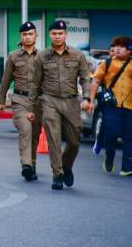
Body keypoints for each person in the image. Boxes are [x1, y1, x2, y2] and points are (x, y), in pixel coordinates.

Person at [33, 20, 91, 190]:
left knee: (74, 141)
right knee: (54, 139)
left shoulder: (77, 55)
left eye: (60, 33)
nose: (57, 36)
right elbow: (36, 84)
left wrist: (87, 98)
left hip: (72, 101)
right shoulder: (42, 56)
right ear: (50, 35)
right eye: (54, 33)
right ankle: (57, 174)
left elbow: (85, 78)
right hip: (49, 100)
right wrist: (32, 108)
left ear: (66, 34)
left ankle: (66, 165)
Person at [0, 21, 41, 181]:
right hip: (20, 100)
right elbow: (6, 80)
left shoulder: (43, 56)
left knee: (35, 135)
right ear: (21, 37)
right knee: (25, 130)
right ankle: (26, 165)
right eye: (25, 34)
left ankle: (32, 165)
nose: (28, 37)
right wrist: (0, 101)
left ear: (36, 36)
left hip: (38, 101)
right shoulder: (13, 56)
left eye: (31, 34)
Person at [85, 36, 132, 176]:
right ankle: (109, 156)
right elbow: (95, 82)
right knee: (111, 134)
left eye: (122, 46)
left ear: (129, 50)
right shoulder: (108, 62)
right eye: (116, 46)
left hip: (130, 107)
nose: (117, 48)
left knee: (129, 137)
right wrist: (91, 100)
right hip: (112, 106)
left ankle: (127, 167)